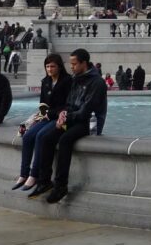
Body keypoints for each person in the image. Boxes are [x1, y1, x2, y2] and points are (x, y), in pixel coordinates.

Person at [30, 48, 107, 204]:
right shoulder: (76, 78)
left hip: (88, 123)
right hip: (72, 120)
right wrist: (62, 115)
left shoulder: (97, 82)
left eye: (74, 64)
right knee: (47, 137)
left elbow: (87, 110)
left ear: (84, 64)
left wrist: (66, 118)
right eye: (71, 64)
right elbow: (69, 103)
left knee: (65, 140)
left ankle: (61, 186)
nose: (71, 67)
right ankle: (44, 181)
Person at [15, 54, 72, 192]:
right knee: (28, 136)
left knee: (40, 136)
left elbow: (68, 104)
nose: (49, 69)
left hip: (61, 119)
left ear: (59, 67)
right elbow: (42, 103)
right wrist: (42, 114)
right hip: (46, 116)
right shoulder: (45, 81)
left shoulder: (68, 81)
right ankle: (24, 173)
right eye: (47, 66)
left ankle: (34, 175)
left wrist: (51, 113)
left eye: (52, 66)